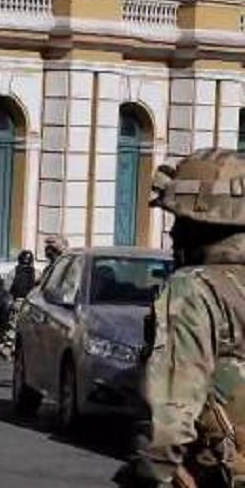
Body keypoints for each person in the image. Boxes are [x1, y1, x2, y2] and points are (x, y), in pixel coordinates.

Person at [114, 149, 245, 488]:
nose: (172, 235)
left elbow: (171, 414)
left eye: (179, 221)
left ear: (202, 224)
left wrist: (148, 472)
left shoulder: (192, 290)